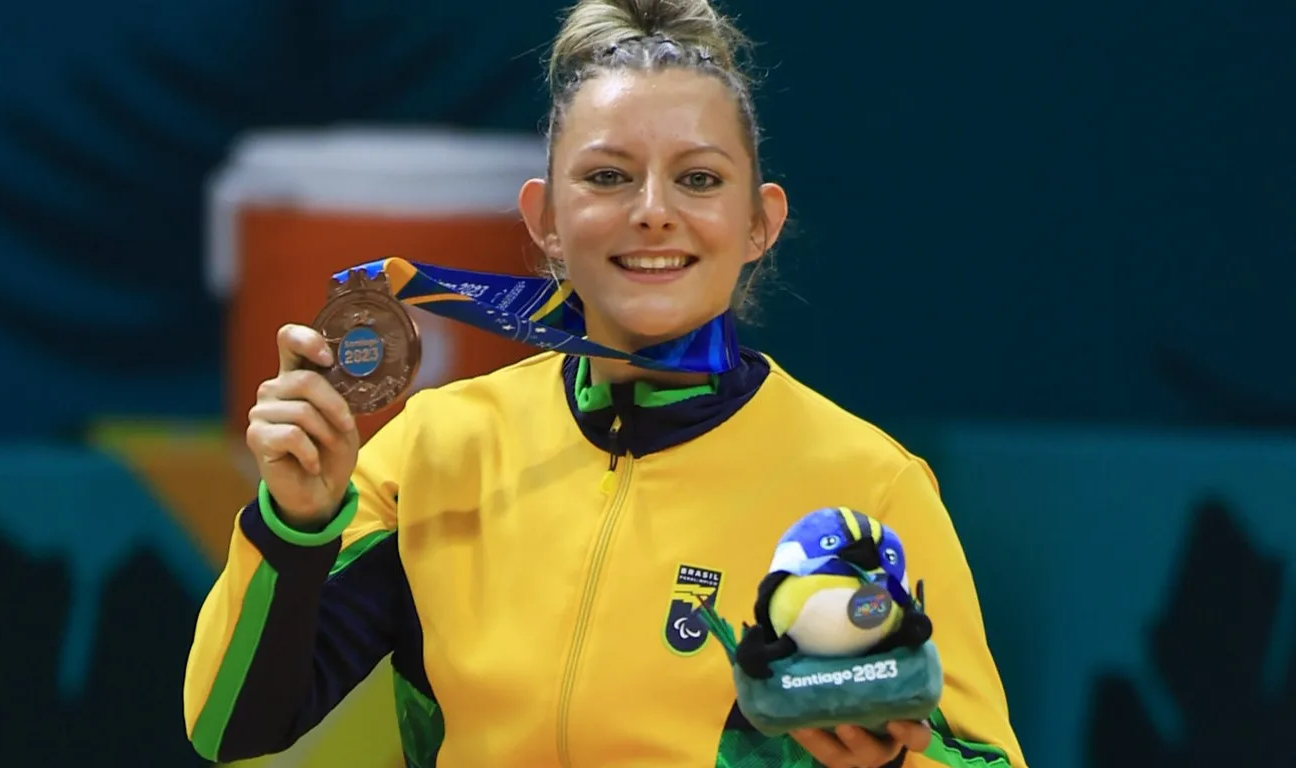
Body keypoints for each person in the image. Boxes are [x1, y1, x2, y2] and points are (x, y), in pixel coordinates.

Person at [183, 0, 1028, 766]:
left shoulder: (865, 484)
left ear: (760, 222)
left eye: (698, 179)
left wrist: (887, 764)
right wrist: (294, 526)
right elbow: (235, 727)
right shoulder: (438, 449)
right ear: (545, 219)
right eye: (607, 176)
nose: (652, 210)